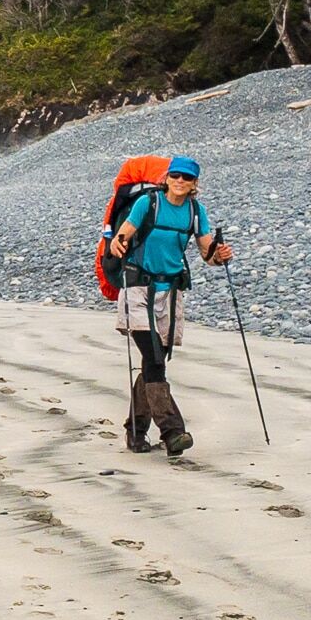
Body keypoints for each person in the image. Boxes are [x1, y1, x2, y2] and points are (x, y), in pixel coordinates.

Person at [106, 155, 230, 456]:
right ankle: (173, 430)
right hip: (137, 288)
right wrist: (116, 244)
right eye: (175, 175)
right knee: (154, 359)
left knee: (155, 361)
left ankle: (135, 431)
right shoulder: (148, 204)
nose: (179, 181)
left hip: (170, 293)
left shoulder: (196, 212)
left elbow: (207, 255)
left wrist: (220, 256)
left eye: (186, 178)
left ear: (194, 184)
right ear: (167, 178)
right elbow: (122, 237)